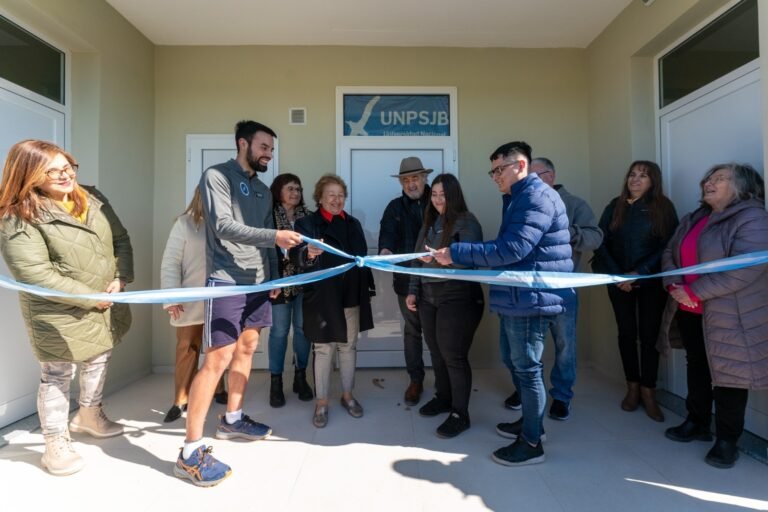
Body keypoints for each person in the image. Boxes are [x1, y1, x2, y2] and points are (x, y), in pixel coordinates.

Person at [174, 121, 303, 487]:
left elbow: (268, 244)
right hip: (228, 282)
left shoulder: (263, 190)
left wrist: (275, 276)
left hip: (260, 284)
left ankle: (233, 420)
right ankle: (190, 452)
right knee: (217, 359)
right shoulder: (217, 176)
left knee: (247, 349)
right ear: (242, 143)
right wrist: (276, 235)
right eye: (264, 147)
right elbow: (223, 226)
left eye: (272, 150)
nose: (268, 154)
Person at [433, 141, 574, 466]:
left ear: (520, 165)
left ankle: (531, 443)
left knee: (527, 369)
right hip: (520, 295)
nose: (494, 176)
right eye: (492, 171)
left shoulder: (535, 197)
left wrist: (457, 252)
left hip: (530, 297)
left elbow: (513, 249)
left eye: (499, 169)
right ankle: (530, 424)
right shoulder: (519, 198)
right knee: (520, 365)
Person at [0, 139, 133, 476]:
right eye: (53, 171)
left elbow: (121, 240)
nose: (65, 175)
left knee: (99, 357)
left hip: (103, 301)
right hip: (57, 312)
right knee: (57, 375)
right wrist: (89, 297)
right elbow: (36, 274)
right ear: (29, 175)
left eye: (68, 167)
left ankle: (89, 414)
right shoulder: (16, 216)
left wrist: (120, 277)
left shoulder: (92, 196)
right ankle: (55, 442)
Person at [658, 163, 768, 469]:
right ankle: (697, 422)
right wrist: (673, 283)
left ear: (743, 187)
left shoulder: (753, 217)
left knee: (730, 375)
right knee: (698, 366)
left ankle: (727, 441)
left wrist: (694, 291)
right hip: (690, 308)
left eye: (719, 179)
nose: (708, 182)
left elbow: (745, 268)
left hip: (731, 313)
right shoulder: (694, 218)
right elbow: (670, 252)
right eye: (709, 177)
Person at [502, 157, 603, 421]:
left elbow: (596, 237)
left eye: (538, 175)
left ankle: (561, 396)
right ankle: (524, 391)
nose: (532, 182)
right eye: (528, 177)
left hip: (562, 290)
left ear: (552, 175)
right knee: (520, 349)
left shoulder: (574, 204)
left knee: (565, 346)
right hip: (527, 291)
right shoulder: (520, 204)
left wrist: (563, 230)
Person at [592, 160, 677, 422]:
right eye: (632, 174)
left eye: (643, 176)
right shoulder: (613, 205)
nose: (635, 179)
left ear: (654, 181)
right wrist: (619, 275)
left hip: (650, 282)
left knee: (649, 334)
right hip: (617, 281)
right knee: (626, 333)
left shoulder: (663, 207)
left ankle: (648, 391)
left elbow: (668, 244)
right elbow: (600, 241)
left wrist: (638, 272)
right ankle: (632, 387)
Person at [291, 174, 376, 428]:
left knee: (348, 347)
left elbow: (361, 258)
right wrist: (308, 253)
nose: (336, 200)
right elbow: (296, 257)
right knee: (323, 349)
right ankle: (322, 402)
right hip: (322, 297)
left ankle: (348, 395)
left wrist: (367, 287)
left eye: (340, 195)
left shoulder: (354, 224)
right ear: (320, 197)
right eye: (331, 194)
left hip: (351, 294)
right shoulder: (307, 224)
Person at [406, 173, 484, 438]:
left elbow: (470, 259)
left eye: (444, 194)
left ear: (454, 195)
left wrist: (439, 261)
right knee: (437, 352)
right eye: (435, 194)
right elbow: (418, 259)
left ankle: (460, 414)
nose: (439, 200)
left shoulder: (467, 221)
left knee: (453, 355)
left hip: (458, 297)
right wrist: (413, 291)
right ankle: (444, 398)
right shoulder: (430, 221)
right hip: (429, 298)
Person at [159, 186, 227, 423]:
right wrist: (171, 298)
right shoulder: (184, 224)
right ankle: (180, 399)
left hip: (221, 298)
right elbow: (170, 263)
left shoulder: (228, 225)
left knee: (217, 347)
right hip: (191, 300)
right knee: (187, 348)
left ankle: (218, 389)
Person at [379, 157, 432, 406]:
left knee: (438, 333)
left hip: (437, 281)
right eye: (406, 180)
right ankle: (416, 380)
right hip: (405, 281)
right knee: (412, 332)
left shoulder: (439, 200)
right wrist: (386, 251)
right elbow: (387, 234)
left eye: (415, 178)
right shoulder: (394, 208)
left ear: (425, 179)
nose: (411, 184)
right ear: (401, 182)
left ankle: (445, 381)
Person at [267, 173, 313, 407]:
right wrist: (271, 280)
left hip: (306, 284)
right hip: (279, 284)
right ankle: (276, 383)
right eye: (290, 189)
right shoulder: (268, 217)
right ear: (278, 191)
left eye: (298, 189)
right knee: (279, 332)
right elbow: (265, 251)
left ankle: (300, 377)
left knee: (303, 330)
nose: (295, 193)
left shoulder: (309, 218)